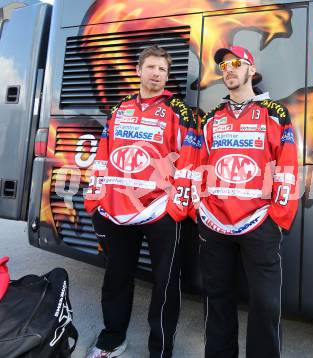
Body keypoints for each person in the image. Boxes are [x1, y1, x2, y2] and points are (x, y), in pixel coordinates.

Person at [83, 45, 196, 358]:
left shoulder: (179, 111)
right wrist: (96, 200)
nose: (156, 73)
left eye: (162, 69)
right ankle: (111, 340)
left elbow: (189, 160)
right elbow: (103, 154)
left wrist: (176, 206)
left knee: (165, 284)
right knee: (116, 277)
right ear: (139, 70)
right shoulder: (120, 108)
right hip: (117, 210)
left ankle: (160, 350)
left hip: (161, 210)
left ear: (167, 76)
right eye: (151, 67)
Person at [194, 45, 299, 358]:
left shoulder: (275, 112)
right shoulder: (212, 118)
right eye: (224, 65)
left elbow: (288, 167)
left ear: (251, 70)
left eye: (236, 63)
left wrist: (276, 217)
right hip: (214, 223)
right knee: (217, 299)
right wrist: (201, 209)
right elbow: (199, 165)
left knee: (266, 304)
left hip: (259, 222)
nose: (229, 69)